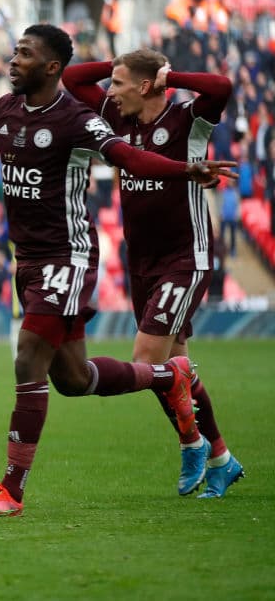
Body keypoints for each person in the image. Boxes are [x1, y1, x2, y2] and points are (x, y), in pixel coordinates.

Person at [0, 24, 237, 516]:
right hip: (27, 260)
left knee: (27, 355)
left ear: (50, 67)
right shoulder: (5, 111)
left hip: (68, 258)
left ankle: (10, 491)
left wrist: (185, 169)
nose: (13, 60)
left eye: (25, 54)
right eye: (14, 51)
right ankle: (169, 377)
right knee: (73, 378)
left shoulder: (79, 120)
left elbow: (129, 156)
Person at [63, 49, 244, 498]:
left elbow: (222, 86)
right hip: (140, 260)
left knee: (146, 362)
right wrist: (118, 66)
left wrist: (169, 76)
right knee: (173, 368)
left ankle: (192, 443)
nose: (110, 91)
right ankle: (221, 458)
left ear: (146, 86)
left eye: (121, 83)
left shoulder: (189, 119)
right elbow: (70, 78)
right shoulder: (116, 114)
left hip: (185, 255)